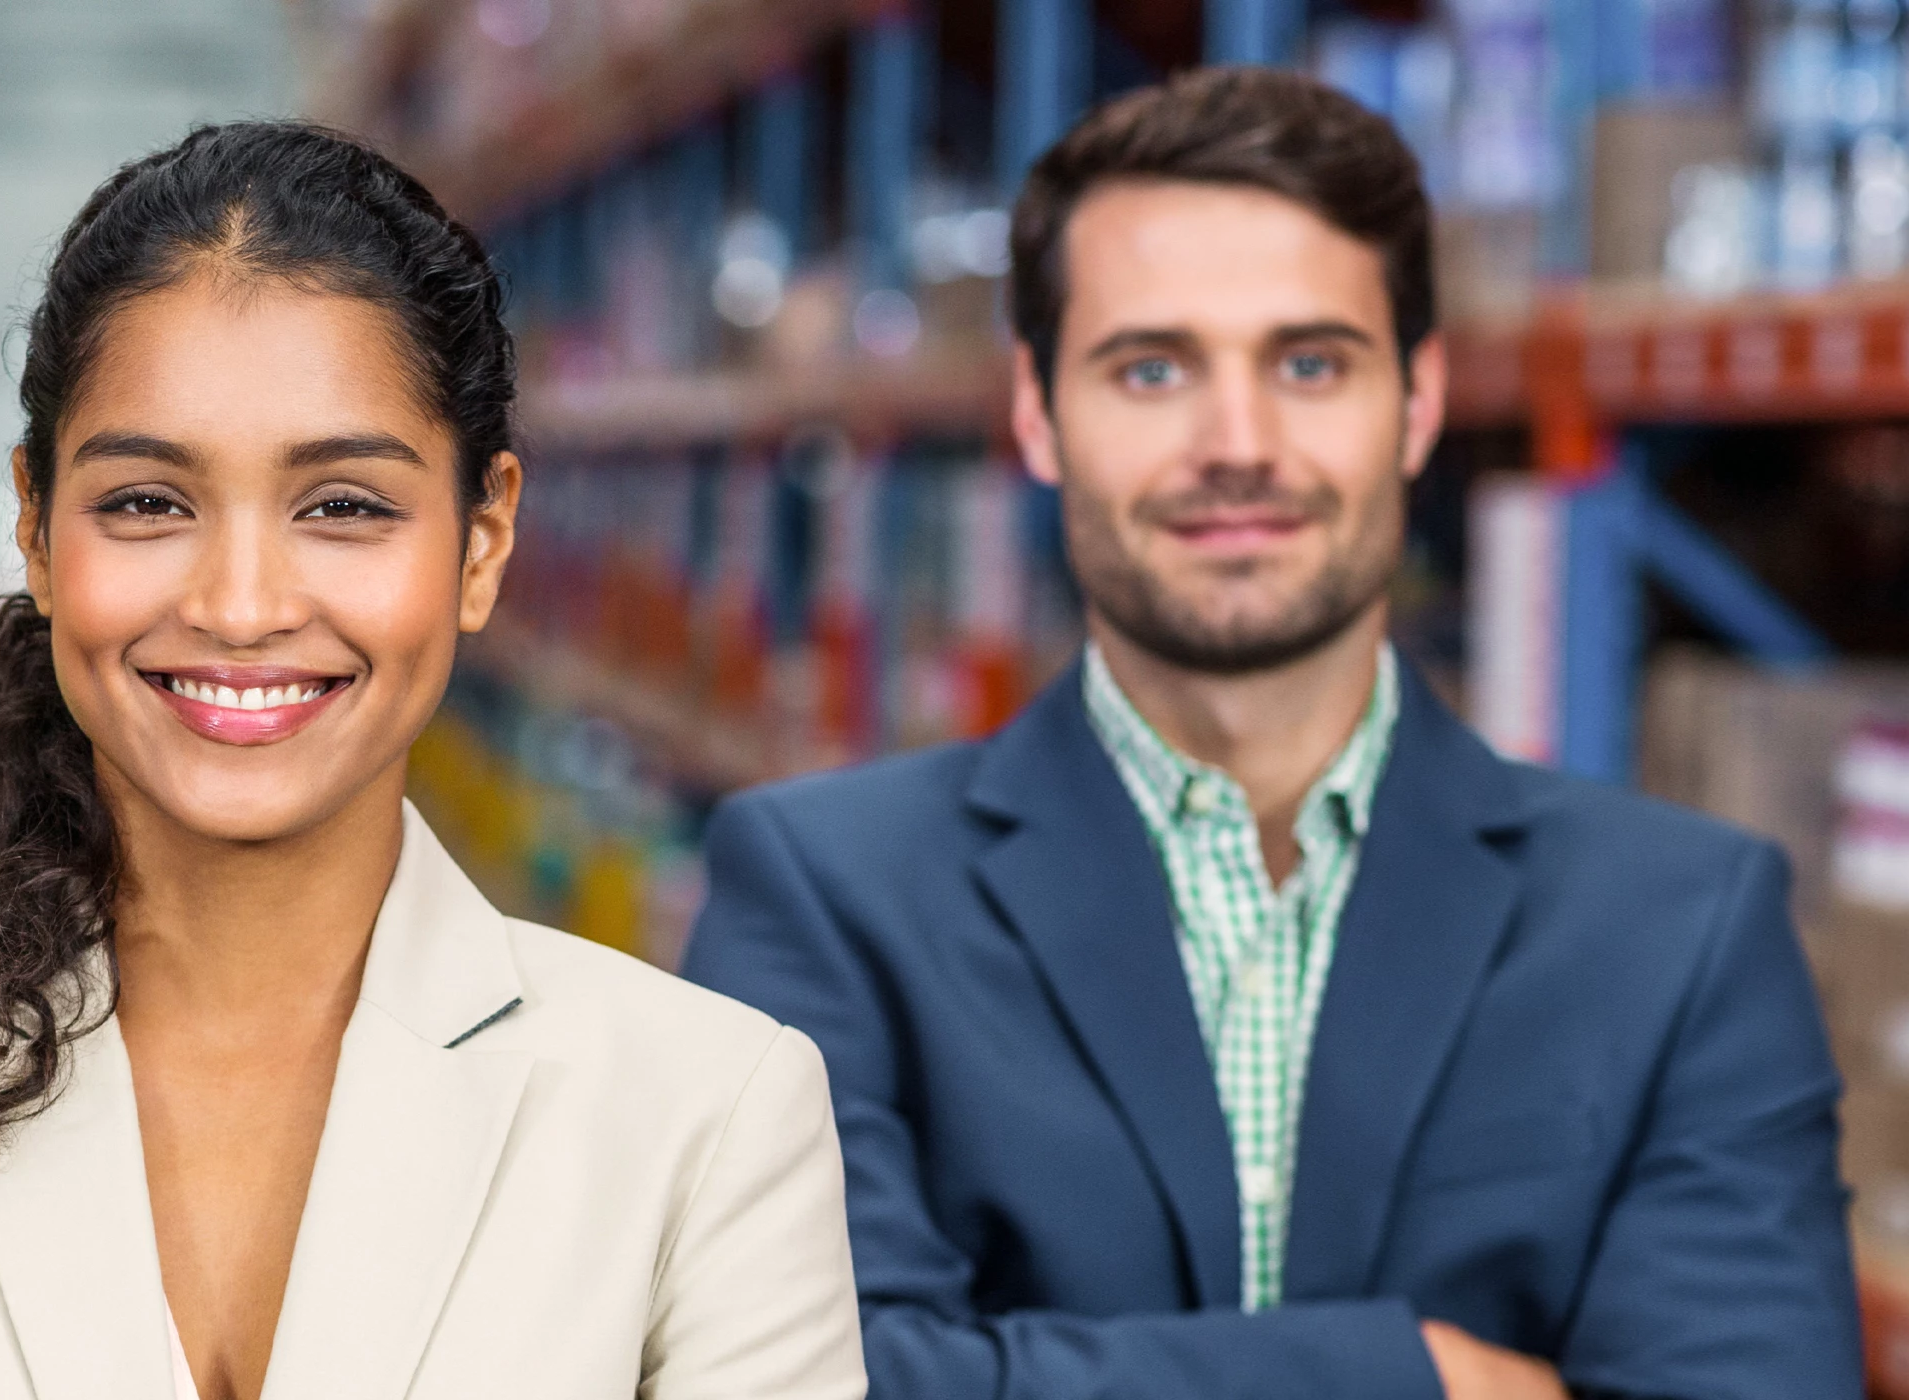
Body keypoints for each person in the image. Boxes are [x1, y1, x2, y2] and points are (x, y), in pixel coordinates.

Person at [0, 121, 865, 1400]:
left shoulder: (712, 1121)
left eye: (343, 506)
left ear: (480, 545)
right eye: (147, 503)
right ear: (33, 526)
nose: (241, 604)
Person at [682, 66, 1860, 1400]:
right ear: (1038, 412)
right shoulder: (823, 895)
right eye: (1152, 368)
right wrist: (1416, 1376)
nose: (1236, 444)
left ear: (1416, 404)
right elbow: (793, 1384)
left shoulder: (1682, 926)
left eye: (1309, 364)